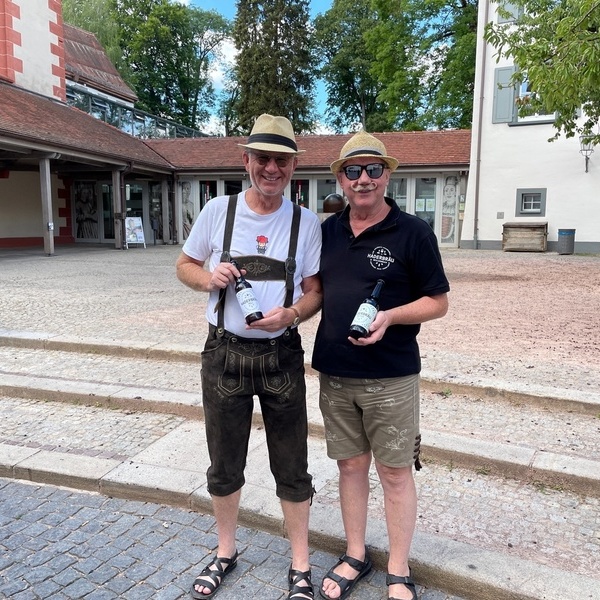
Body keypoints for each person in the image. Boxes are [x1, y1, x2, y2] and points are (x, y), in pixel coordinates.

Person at [176, 114, 322, 600]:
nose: (271, 168)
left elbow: (314, 289)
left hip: (281, 355)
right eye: (263, 158)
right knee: (224, 461)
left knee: (292, 461)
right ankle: (225, 551)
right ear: (247, 161)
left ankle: (300, 563)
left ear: (293, 166)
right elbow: (184, 265)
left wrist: (294, 314)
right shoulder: (218, 210)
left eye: (281, 160)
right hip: (224, 354)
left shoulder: (306, 222)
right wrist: (207, 278)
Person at [312, 130, 450, 600]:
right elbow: (313, 292)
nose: (364, 179)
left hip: (391, 376)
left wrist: (390, 316)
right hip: (335, 371)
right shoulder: (325, 231)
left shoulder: (413, 232)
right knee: (350, 468)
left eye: (373, 169)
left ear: (387, 175)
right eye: (354, 171)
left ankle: (398, 567)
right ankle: (355, 554)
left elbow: (438, 302)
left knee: (394, 472)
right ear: (341, 179)